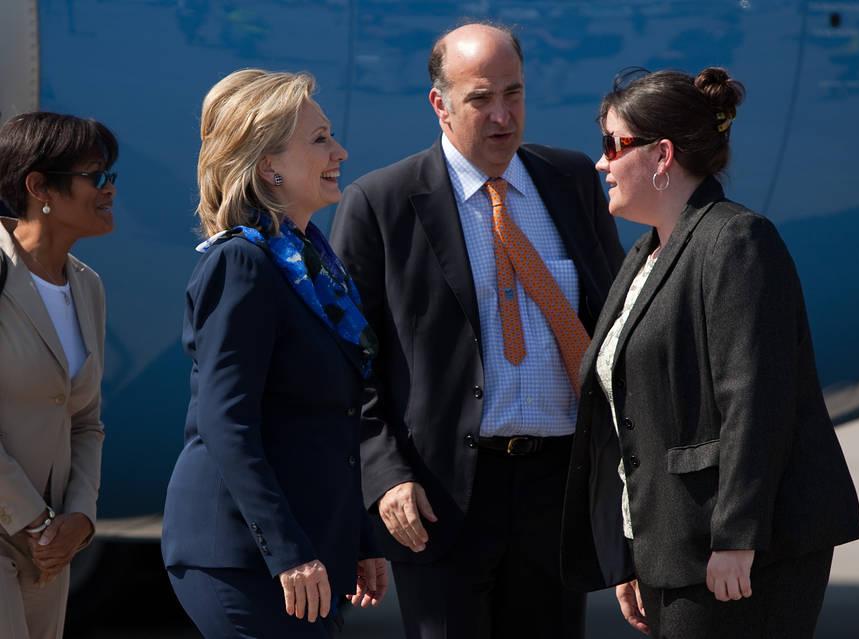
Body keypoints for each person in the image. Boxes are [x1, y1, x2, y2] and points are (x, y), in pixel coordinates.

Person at [330, 22, 625, 639]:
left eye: (513, 94)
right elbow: (347, 365)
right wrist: (384, 474)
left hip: (556, 487)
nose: (501, 116)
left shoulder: (571, 184)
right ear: (439, 105)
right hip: (442, 497)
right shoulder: (381, 204)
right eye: (480, 99)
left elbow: (610, 326)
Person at [560, 67, 859, 638]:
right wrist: (632, 547)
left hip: (735, 552)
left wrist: (736, 538)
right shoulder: (648, 253)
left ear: (662, 156)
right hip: (673, 543)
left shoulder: (737, 242)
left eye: (613, 143)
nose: (601, 163)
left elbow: (755, 401)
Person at [160, 69, 387, 638]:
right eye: (319, 139)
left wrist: (357, 536)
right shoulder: (243, 263)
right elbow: (225, 420)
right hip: (244, 554)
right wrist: (287, 550)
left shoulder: (312, 268)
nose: (340, 151)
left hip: (308, 546)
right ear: (268, 164)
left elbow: (325, 421)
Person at [0, 111, 118, 639]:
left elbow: (85, 420)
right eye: (97, 177)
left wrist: (79, 519)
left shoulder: (87, 286)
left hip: (50, 554)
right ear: (38, 186)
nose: (110, 190)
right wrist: (35, 522)